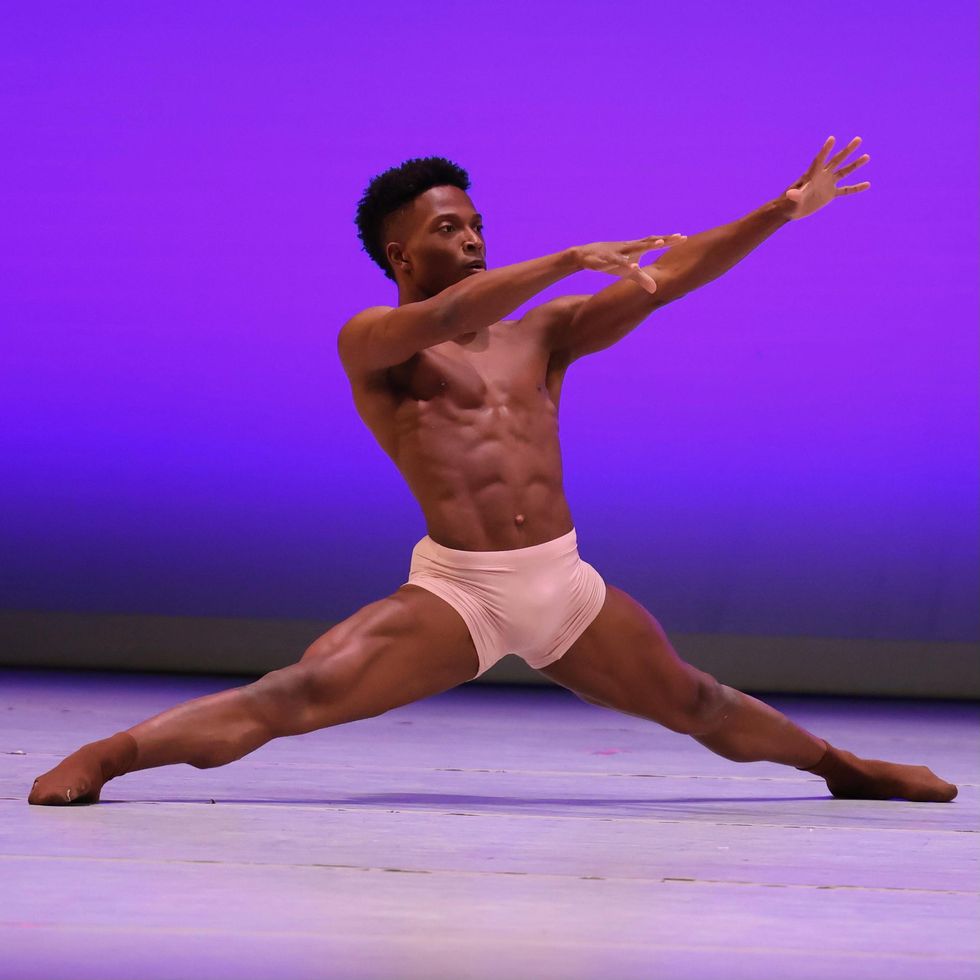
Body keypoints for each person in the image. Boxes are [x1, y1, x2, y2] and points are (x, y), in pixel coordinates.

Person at [29, 136, 957, 806]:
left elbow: (668, 278)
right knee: (295, 695)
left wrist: (778, 211)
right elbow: (441, 319)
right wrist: (562, 258)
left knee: (701, 702)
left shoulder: (541, 335)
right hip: (460, 592)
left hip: (561, 583)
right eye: (448, 227)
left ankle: (844, 770)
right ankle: (112, 755)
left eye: (476, 223)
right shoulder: (375, 341)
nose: (472, 237)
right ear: (402, 252)